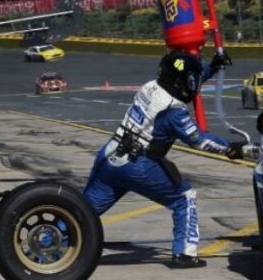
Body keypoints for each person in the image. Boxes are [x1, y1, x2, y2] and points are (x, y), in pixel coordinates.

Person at [83, 52, 246, 269]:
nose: (193, 82)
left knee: (82, 212)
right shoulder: (173, 111)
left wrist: (211, 68)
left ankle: (46, 245)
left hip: (111, 154)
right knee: (184, 197)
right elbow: (198, 140)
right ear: (180, 82)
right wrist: (231, 148)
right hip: (137, 164)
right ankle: (184, 254)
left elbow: (187, 82)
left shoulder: (150, 86)